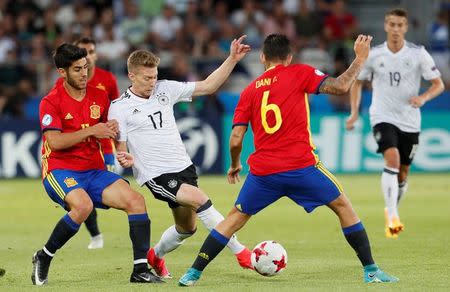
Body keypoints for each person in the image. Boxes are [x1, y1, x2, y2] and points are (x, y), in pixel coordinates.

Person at [178, 33, 399, 286]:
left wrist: (235, 163)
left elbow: (236, 138)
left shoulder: (249, 91)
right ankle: (371, 270)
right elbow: (340, 86)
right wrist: (359, 59)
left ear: (262, 57)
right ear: (289, 57)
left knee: (233, 220)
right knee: (343, 206)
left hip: (263, 174)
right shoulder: (299, 72)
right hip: (301, 167)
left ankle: (193, 272)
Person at [108, 35, 253, 279]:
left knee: (187, 228)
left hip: (184, 167)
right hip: (156, 174)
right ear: (132, 76)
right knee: (201, 199)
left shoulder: (166, 88)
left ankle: (156, 255)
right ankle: (241, 252)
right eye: (147, 78)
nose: (152, 82)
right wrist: (125, 158)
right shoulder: (119, 106)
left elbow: (208, 85)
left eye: (154, 76)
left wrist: (231, 59)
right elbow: (120, 147)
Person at [32, 43, 163, 285]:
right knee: (82, 207)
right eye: (77, 69)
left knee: (136, 201)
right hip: (59, 169)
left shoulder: (100, 96)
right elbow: (55, 141)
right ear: (62, 72)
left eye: (86, 67)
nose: (84, 74)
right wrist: (94, 130)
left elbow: (110, 129)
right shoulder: (51, 102)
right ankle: (44, 256)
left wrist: (115, 138)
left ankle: (140, 270)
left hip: (94, 170)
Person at [345, 8, 444, 238]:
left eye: (400, 25)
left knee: (403, 172)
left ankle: (393, 207)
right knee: (393, 159)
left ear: (406, 28)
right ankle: (392, 216)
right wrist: (354, 113)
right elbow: (357, 82)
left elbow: (438, 84)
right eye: (392, 25)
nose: (396, 29)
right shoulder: (375, 54)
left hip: (410, 120)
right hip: (382, 116)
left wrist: (423, 98)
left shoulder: (418, 54)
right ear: (386, 26)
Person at [55, 37, 120, 249]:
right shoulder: (63, 86)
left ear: (96, 55)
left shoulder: (107, 80)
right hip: (76, 154)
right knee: (84, 199)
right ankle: (95, 235)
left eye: (91, 52)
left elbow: (116, 112)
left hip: (104, 150)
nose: (89, 57)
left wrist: (119, 144)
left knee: (96, 196)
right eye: (85, 52)